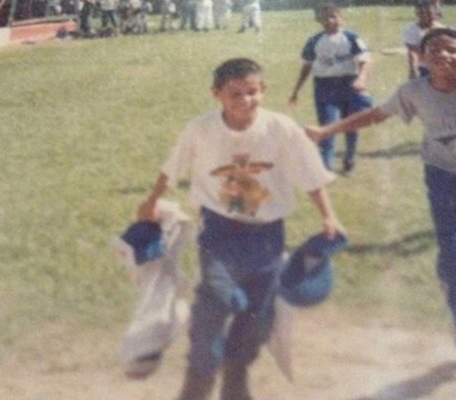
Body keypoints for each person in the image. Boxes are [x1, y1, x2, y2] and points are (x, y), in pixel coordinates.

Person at [137, 57, 345, 400]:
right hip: (220, 228)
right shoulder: (200, 129)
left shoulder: (280, 128)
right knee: (217, 296)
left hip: (267, 232)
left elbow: (310, 173)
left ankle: (236, 372)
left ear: (264, 90)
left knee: (258, 312)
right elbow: (172, 167)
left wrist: (328, 215)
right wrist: (151, 201)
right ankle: (197, 380)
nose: (245, 101)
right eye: (235, 94)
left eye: (252, 92)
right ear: (216, 94)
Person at [306, 28, 456, 343]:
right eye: (434, 50)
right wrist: (326, 131)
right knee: (452, 251)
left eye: (450, 49)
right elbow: (374, 116)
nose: (442, 55)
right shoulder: (413, 91)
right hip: (443, 176)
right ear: (421, 58)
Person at [288, 3, 372, 174]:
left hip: (348, 84)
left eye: (333, 16)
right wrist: (296, 90)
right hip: (324, 87)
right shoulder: (314, 41)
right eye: (325, 17)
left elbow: (363, 60)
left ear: (341, 17)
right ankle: (326, 168)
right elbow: (307, 67)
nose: (329, 20)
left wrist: (361, 79)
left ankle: (349, 159)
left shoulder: (351, 37)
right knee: (327, 126)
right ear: (318, 19)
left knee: (351, 124)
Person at [402, 0, 444, 79]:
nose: (426, 16)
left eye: (429, 13)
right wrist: (414, 70)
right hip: (422, 68)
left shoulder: (442, 30)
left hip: (439, 68)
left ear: (436, 14)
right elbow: (412, 52)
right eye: (422, 13)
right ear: (417, 14)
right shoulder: (411, 29)